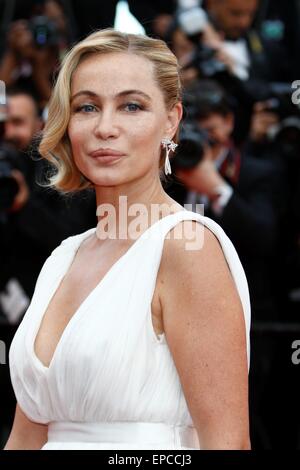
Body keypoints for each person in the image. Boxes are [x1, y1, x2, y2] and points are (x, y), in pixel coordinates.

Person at [4, 28, 251, 450]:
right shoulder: (63, 258)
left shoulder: (186, 247)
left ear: (171, 121)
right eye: (87, 107)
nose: (105, 127)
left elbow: (227, 442)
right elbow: (26, 437)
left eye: (131, 106)